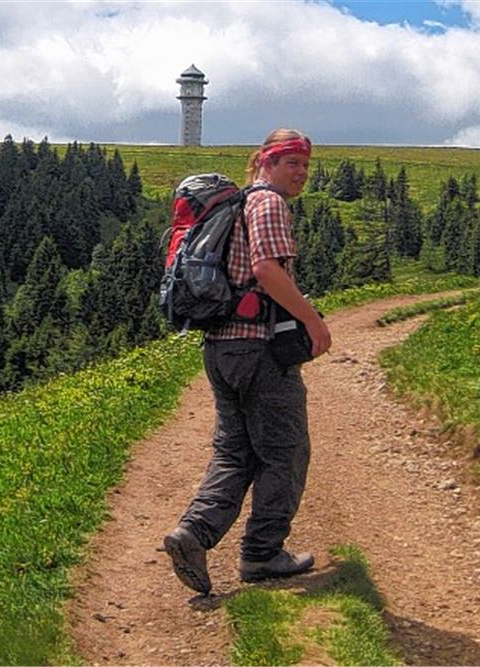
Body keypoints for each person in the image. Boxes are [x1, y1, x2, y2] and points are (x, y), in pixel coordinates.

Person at [163, 129, 332, 595]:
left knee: (234, 451)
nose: (300, 173)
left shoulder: (238, 205)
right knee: (285, 450)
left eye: (305, 165)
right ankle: (262, 553)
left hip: (221, 347)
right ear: (265, 161)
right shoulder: (269, 204)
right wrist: (313, 321)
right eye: (291, 163)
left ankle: (192, 535)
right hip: (257, 348)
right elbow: (266, 269)